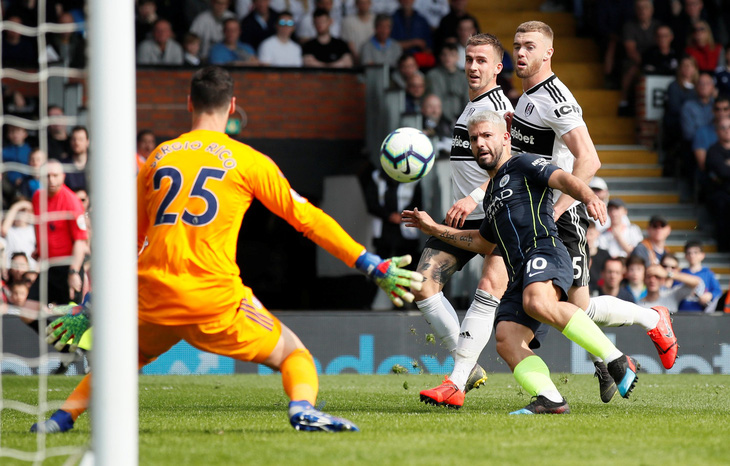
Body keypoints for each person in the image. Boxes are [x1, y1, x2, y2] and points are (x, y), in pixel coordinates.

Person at [31, 66, 423, 434]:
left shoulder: (157, 157)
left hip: (153, 296)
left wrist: (91, 304)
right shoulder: (248, 161)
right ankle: (302, 409)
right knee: (294, 355)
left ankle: (59, 421)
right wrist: (370, 263)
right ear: (232, 106)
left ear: (189, 103)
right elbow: (309, 220)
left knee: (122, 360)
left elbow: (127, 241)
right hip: (213, 300)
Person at [403, 110, 640, 415]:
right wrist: (434, 229)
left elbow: (564, 178)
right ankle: (551, 399)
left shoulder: (523, 163)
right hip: (520, 273)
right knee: (506, 338)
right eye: (474, 139)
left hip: (546, 250)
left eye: (487, 135)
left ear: (505, 137)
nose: (480, 144)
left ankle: (617, 359)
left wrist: (589, 196)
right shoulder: (491, 198)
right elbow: (482, 242)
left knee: (538, 301)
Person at [508, 20, 677, 387]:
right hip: (534, 217)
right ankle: (607, 356)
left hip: (559, 217)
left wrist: (557, 208)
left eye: (530, 46)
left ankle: (649, 323)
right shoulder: (526, 97)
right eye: (518, 45)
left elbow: (589, 160)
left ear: (549, 52)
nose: (521, 52)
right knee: (560, 304)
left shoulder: (557, 99)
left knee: (572, 306)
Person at [415, 33, 513, 409]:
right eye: (469, 59)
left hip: (497, 217)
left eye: (482, 61)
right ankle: (466, 366)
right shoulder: (470, 107)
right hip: (466, 219)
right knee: (422, 284)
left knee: (552, 303)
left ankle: (609, 356)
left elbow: (510, 166)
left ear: (497, 67)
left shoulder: (501, 109)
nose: (473, 67)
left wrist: (473, 196)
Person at [28, 159, 88, 308]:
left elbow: (80, 242)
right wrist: (40, 249)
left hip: (67, 267)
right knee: (28, 310)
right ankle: (48, 332)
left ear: (63, 176)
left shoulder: (72, 202)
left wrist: (73, 272)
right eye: (47, 176)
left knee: (69, 318)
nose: (51, 180)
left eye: (55, 175)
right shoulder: (37, 198)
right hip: (48, 267)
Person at [618, 0, 660, 115]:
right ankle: (624, 100)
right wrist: (644, 63)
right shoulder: (629, 26)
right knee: (631, 69)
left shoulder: (658, 25)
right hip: (636, 60)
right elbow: (631, 50)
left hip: (656, 59)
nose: (642, 11)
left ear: (652, 10)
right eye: (639, 8)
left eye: (645, 7)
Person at [425, 43, 468, 127]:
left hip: (460, 119)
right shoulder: (432, 75)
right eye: (444, 55)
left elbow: (467, 100)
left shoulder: (464, 77)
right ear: (440, 57)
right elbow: (432, 100)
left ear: (457, 57)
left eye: (452, 55)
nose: (448, 58)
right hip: (437, 119)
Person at [705, 115, 730, 251]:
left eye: (729, 127)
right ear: (717, 132)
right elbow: (723, 172)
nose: (727, 130)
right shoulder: (713, 151)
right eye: (723, 128)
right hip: (721, 193)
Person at [639, 262, 703, 313]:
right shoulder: (639, 306)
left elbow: (696, 282)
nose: (652, 280)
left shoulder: (671, 295)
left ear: (663, 280)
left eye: (657, 277)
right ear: (644, 279)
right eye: (649, 276)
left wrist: (667, 274)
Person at [678, 240, 722, 311]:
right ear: (685, 256)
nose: (692, 255)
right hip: (682, 311)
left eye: (696, 252)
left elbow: (717, 291)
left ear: (702, 255)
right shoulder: (681, 273)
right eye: (689, 253)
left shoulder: (708, 273)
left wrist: (710, 295)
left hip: (702, 313)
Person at [342, 0, 375, 64]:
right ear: (356, 4)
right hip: (354, 60)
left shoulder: (375, 20)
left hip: (373, 60)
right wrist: (355, 56)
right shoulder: (348, 21)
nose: (364, 5)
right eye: (361, 3)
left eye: (366, 3)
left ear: (370, 4)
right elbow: (348, 41)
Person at [63, 126, 89, 193]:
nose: (77, 143)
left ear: (87, 142)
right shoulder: (63, 166)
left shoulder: (96, 165)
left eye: (80, 139)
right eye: (74, 139)